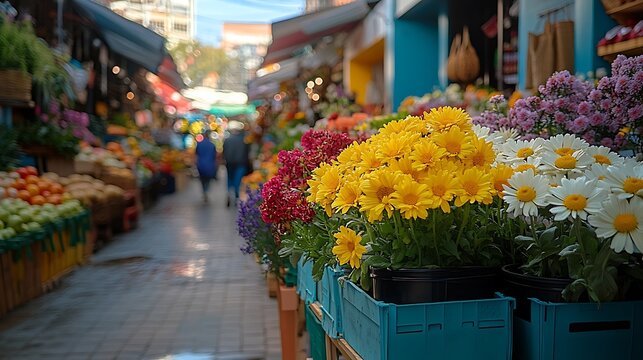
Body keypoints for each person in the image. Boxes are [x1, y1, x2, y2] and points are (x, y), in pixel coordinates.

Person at [223, 120, 250, 207]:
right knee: (237, 180)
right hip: (241, 163)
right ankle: (236, 196)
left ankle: (229, 193)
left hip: (229, 163)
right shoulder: (244, 140)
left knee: (230, 179)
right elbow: (247, 153)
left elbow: (224, 152)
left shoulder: (227, 140)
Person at [195, 130, 217, 203]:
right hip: (210, 164)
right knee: (208, 179)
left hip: (201, 164)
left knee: (202, 179)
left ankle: (204, 191)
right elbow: (214, 156)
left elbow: (196, 155)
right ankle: (206, 191)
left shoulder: (199, 144)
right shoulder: (212, 145)